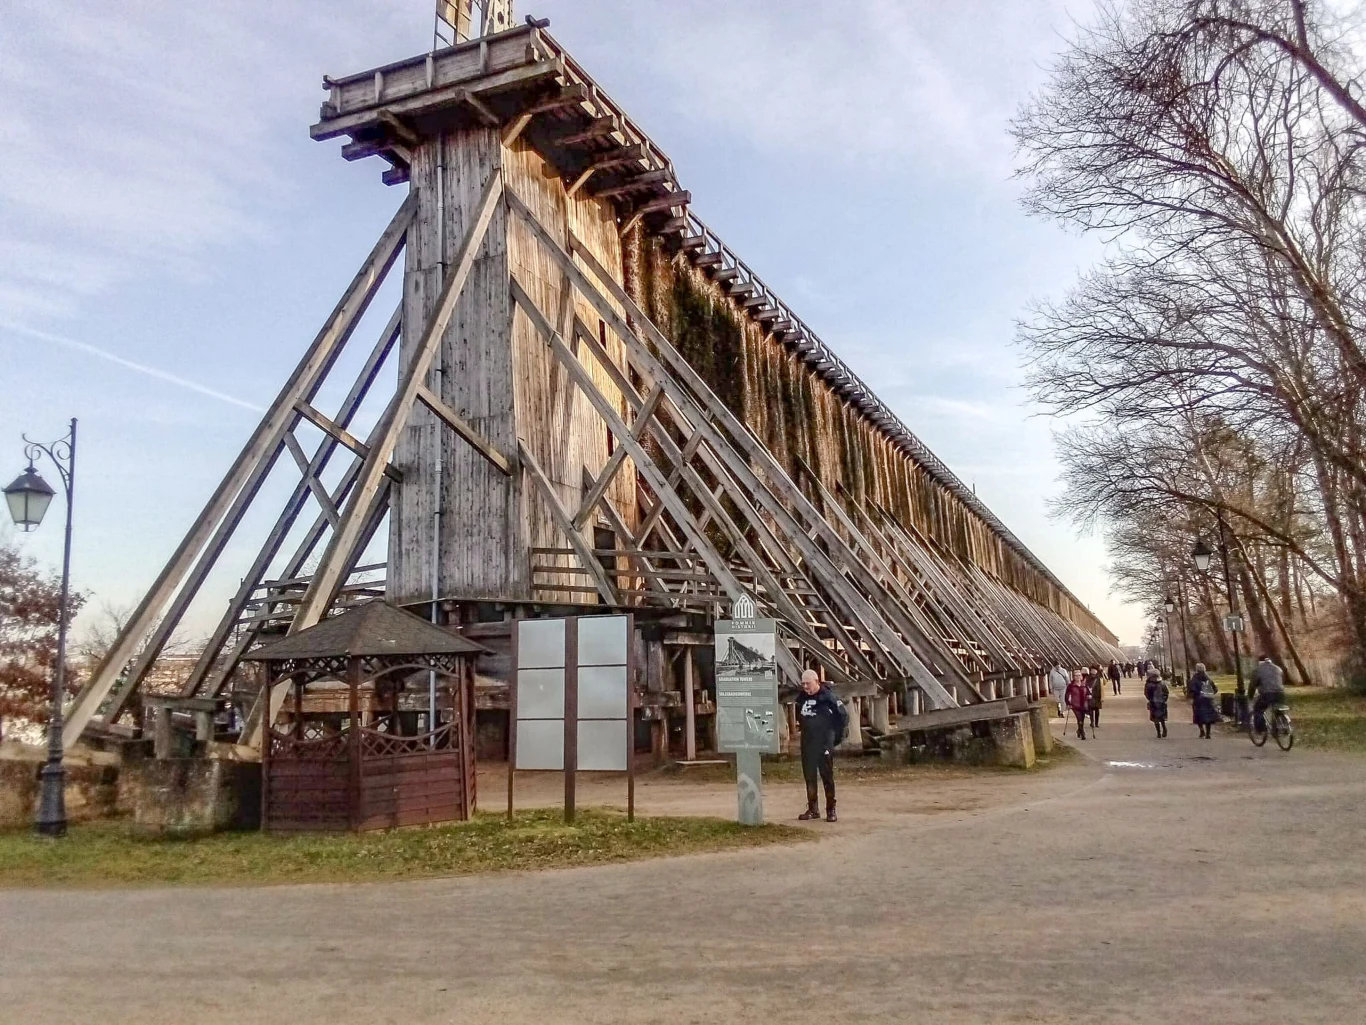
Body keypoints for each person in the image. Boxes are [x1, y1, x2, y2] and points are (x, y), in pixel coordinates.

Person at [795, 669, 847, 822]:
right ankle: (812, 809)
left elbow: (842, 717)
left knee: (827, 777)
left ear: (817, 681)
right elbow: (799, 713)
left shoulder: (828, 697)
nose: (805, 686)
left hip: (824, 742)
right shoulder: (802, 697)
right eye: (803, 683)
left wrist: (834, 739)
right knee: (809, 777)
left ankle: (831, 810)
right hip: (807, 742)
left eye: (808, 683)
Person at [1249, 654, 1288, 734]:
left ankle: (1261, 729)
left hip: (1267, 694)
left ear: (1260, 662)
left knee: (1258, 710)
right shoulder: (1278, 668)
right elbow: (1281, 680)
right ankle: (1279, 726)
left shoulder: (1258, 670)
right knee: (1278, 710)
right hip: (1280, 693)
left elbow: (1253, 685)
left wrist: (1250, 695)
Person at [1189, 663, 1219, 739]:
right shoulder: (1208, 678)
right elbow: (1215, 689)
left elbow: (1192, 689)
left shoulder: (1195, 678)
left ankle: (1202, 731)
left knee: (1198, 715)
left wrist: (1193, 696)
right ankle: (1208, 733)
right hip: (1208, 699)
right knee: (1208, 715)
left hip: (1198, 699)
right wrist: (1211, 694)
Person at [1144, 668, 1170, 738]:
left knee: (1155, 718)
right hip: (1162, 702)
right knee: (1162, 717)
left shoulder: (1148, 684)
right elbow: (1166, 692)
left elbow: (1146, 693)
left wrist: (1150, 699)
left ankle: (1158, 733)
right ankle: (1164, 728)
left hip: (1153, 702)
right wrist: (1165, 699)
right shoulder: (1162, 683)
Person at [1065, 670, 1090, 739]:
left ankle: (1079, 730)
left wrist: (1089, 696)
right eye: (1076, 676)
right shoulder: (1071, 686)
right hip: (1075, 705)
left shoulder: (1084, 684)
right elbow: (1067, 695)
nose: (1078, 677)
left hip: (1083, 705)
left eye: (1079, 675)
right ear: (1073, 677)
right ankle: (1082, 733)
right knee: (1079, 719)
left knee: (1082, 719)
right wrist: (1068, 703)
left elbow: (1088, 693)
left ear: (1081, 677)